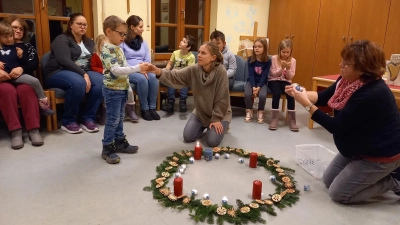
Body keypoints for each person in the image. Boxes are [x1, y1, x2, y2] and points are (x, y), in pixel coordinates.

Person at [286, 40, 400, 204]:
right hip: (358, 147)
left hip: (381, 155)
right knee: (328, 180)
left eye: (346, 63)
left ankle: (394, 181)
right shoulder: (346, 81)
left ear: (363, 69)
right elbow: (323, 97)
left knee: (339, 194)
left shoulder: (372, 93)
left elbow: (336, 126)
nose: (341, 65)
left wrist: (306, 104)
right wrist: (299, 93)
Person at [147, 41, 231, 147]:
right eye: (199, 52)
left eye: (203, 53)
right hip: (202, 111)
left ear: (213, 57)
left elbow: (222, 99)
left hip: (220, 113)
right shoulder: (194, 69)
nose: (199, 55)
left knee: (212, 142)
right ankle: (206, 125)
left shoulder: (221, 72)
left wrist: (216, 118)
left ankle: (224, 125)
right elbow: (175, 75)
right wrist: (158, 71)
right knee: (188, 137)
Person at [99, 15, 148, 164]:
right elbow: (115, 70)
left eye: (125, 34)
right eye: (121, 33)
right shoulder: (107, 49)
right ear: (109, 31)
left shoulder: (118, 47)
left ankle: (119, 141)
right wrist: (136, 68)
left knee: (120, 117)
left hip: (121, 88)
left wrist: (135, 73)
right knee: (113, 119)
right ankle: (107, 147)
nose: (123, 37)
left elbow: (124, 65)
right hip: (112, 90)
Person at [45, 13, 104, 134]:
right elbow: (64, 61)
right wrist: (84, 74)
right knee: (77, 82)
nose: (82, 27)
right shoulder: (61, 39)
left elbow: (95, 58)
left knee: (100, 81)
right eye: (79, 24)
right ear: (71, 25)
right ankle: (68, 121)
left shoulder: (88, 41)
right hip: (58, 71)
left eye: (84, 25)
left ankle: (88, 118)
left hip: (84, 71)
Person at [0, 23, 43, 149]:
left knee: (27, 89)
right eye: (15, 28)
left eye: (21, 28)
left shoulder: (25, 46)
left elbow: (33, 64)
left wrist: (21, 68)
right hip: (3, 80)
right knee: (6, 91)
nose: (18, 31)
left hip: (21, 77)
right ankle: (15, 132)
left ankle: (34, 130)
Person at [0, 22, 54, 116]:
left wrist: (21, 56)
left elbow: (27, 64)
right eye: (5, 37)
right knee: (7, 91)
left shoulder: (17, 47)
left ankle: (43, 103)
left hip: (16, 76)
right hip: (3, 77)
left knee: (35, 81)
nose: (9, 39)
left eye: (10, 36)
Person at [91, 34, 139, 123]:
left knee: (129, 90)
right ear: (98, 46)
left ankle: (130, 110)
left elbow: (120, 66)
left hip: (119, 77)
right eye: (102, 45)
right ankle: (105, 113)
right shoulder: (96, 55)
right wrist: (103, 70)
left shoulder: (115, 53)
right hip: (107, 78)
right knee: (109, 92)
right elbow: (93, 67)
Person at [121, 15, 160, 121]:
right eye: (141, 27)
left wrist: (145, 68)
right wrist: (138, 69)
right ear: (132, 27)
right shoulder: (122, 42)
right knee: (142, 79)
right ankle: (145, 109)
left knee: (153, 77)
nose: (143, 29)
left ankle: (152, 108)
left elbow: (147, 59)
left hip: (144, 69)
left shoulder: (143, 43)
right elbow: (122, 62)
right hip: (130, 70)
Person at [268, 39, 297, 131]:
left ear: (291, 51)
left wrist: (288, 69)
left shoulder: (293, 61)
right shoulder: (274, 58)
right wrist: (282, 68)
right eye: (283, 52)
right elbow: (273, 74)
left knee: (290, 93)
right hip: (274, 80)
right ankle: (274, 118)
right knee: (276, 93)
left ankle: (292, 120)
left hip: (286, 81)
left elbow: (289, 77)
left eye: (288, 52)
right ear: (279, 50)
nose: (285, 54)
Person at [162, 35, 196, 113]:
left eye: (184, 41)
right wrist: (166, 71)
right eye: (182, 40)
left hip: (185, 76)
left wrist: (178, 71)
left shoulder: (191, 57)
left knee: (185, 83)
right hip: (174, 75)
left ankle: (182, 102)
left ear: (188, 47)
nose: (181, 42)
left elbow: (189, 70)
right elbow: (170, 64)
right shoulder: (175, 53)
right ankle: (170, 103)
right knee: (170, 81)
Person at [244, 38, 271, 124]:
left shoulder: (268, 61)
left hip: (262, 83)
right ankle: (249, 110)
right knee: (247, 94)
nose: (256, 48)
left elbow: (264, 75)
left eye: (259, 46)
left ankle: (260, 111)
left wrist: (258, 87)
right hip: (251, 82)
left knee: (262, 95)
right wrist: (253, 87)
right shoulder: (250, 60)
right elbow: (251, 74)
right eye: (255, 46)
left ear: (265, 48)